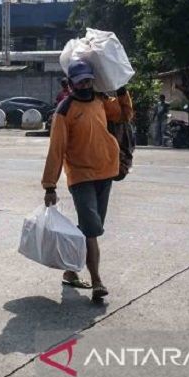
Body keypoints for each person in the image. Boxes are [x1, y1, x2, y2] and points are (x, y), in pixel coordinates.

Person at [41, 60, 134, 302]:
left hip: (106, 171)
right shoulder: (64, 110)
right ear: (71, 83)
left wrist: (121, 89)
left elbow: (125, 114)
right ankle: (97, 282)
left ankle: (70, 271)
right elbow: (56, 149)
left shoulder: (100, 101)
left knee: (91, 227)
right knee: (92, 228)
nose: (85, 84)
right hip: (81, 176)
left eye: (88, 79)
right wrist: (50, 185)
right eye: (80, 80)